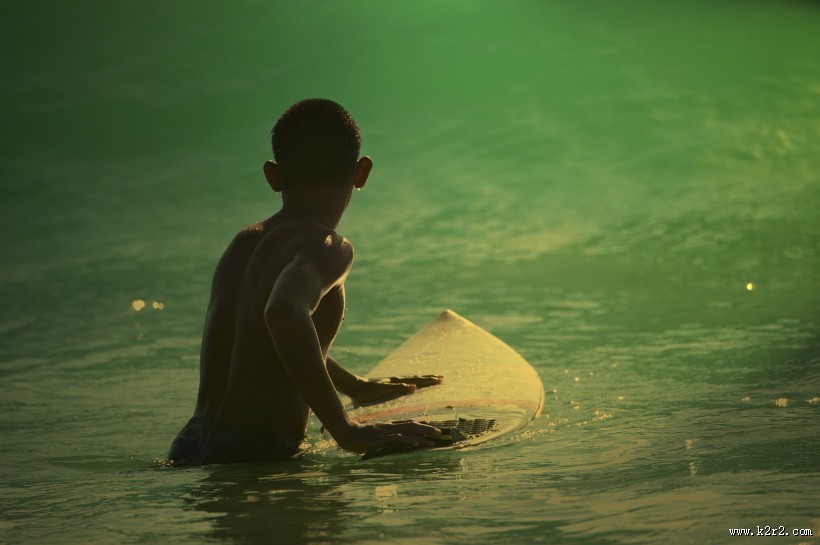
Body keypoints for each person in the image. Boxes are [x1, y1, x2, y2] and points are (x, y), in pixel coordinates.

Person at [167, 99, 443, 465]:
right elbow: (283, 314)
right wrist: (346, 429)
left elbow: (266, 340)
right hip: (259, 448)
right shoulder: (328, 246)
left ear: (273, 175)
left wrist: (353, 387)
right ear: (361, 173)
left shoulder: (244, 244)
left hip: (192, 441)